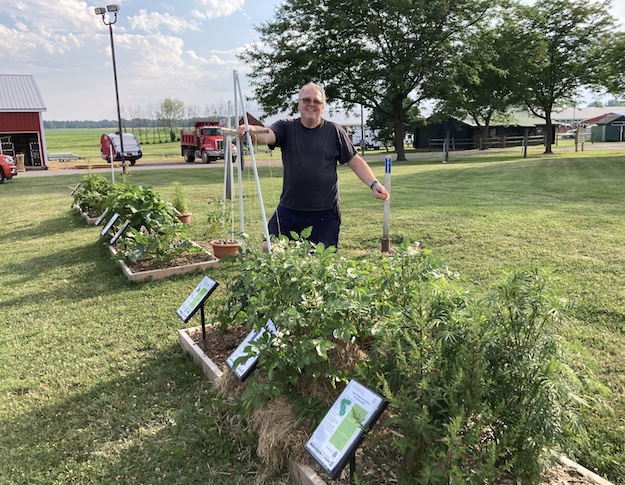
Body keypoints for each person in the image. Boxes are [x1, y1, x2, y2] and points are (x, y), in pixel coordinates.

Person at [238, 82, 389, 249]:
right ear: (298, 105)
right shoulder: (286, 127)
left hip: (324, 213)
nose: (311, 104)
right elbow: (268, 134)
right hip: (289, 209)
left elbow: (354, 160)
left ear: (323, 107)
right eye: (306, 100)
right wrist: (251, 130)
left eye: (316, 101)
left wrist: (374, 184)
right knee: (269, 247)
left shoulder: (334, 132)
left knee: (322, 263)